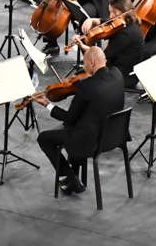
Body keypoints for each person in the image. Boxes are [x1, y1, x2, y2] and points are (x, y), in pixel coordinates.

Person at [35, 46, 125, 195]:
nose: (83, 66)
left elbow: (69, 118)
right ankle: (72, 179)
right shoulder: (117, 74)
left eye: (85, 63)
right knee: (79, 125)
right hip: (113, 136)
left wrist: (47, 104)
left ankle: (71, 178)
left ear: (93, 62)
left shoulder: (86, 86)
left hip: (91, 142)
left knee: (44, 138)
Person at [73, 0, 144, 83]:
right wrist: (92, 20)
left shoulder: (126, 34)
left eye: (114, 12)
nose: (111, 16)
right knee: (83, 73)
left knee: (82, 79)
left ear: (125, 11)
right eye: (110, 12)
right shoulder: (124, 22)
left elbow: (102, 57)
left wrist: (82, 45)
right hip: (117, 67)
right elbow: (105, 21)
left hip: (123, 76)